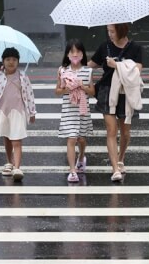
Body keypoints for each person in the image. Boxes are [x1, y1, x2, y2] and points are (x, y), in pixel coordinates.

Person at [88, 23, 143, 182]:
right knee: (111, 130)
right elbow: (90, 65)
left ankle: (121, 159)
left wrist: (117, 65)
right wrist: (71, 68)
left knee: (125, 132)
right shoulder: (105, 46)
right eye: (108, 31)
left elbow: (138, 70)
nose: (110, 34)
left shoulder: (135, 48)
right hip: (107, 91)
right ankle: (115, 169)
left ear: (121, 30)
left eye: (112, 31)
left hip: (126, 93)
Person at [0, 47, 37, 181]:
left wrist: (32, 112)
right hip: (3, 111)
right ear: (3, 61)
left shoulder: (23, 77)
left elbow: (30, 95)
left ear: (18, 62)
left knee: (16, 139)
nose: (11, 62)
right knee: (7, 137)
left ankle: (17, 167)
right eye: (8, 59)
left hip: (18, 112)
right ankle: (9, 162)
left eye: (14, 59)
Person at [55, 40, 95, 183]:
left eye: (78, 51)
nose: (75, 54)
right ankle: (72, 170)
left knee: (81, 139)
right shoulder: (62, 70)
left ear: (83, 54)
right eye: (72, 52)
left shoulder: (88, 70)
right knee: (71, 138)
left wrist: (82, 86)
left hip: (83, 110)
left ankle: (81, 156)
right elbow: (57, 91)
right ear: (67, 54)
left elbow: (92, 92)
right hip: (69, 110)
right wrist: (66, 89)